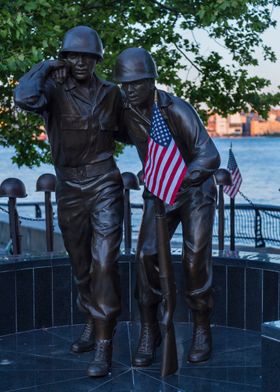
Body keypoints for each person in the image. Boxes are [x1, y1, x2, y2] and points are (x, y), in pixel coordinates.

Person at [14, 26, 124, 377]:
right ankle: (91, 323)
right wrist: (45, 67)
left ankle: (105, 344)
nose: (79, 62)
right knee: (81, 267)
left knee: (104, 262)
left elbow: (136, 132)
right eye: (72, 55)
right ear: (64, 58)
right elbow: (23, 98)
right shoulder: (51, 89)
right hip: (69, 186)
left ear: (96, 59)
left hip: (105, 180)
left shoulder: (110, 94)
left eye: (86, 56)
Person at [113, 48, 221, 367]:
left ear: (151, 81)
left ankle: (202, 328)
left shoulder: (177, 109)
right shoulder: (126, 109)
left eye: (134, 84)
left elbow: (210, 156)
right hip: (160, 190)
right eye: (124, 85)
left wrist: (181, 180)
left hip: (194, 190)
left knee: (194, 259)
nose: (128, 90)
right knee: (144, 256)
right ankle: (150, 329)